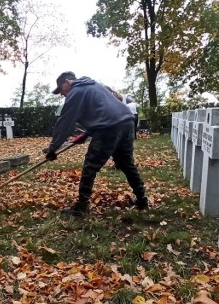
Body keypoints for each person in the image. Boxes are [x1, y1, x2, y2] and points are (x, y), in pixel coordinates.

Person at [45, 71, 148, 216]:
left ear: (67, 83)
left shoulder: (76, 91)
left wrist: (53, 148)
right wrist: (84, 136)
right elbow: (103, 112)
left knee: (91, 165)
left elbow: (65, 122)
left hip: (110, 127)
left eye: (61, 90)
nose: (62, 95)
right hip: (127, 122)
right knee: (126, 163)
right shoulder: (94, 85)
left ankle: (82, 206)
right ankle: (142, 200)